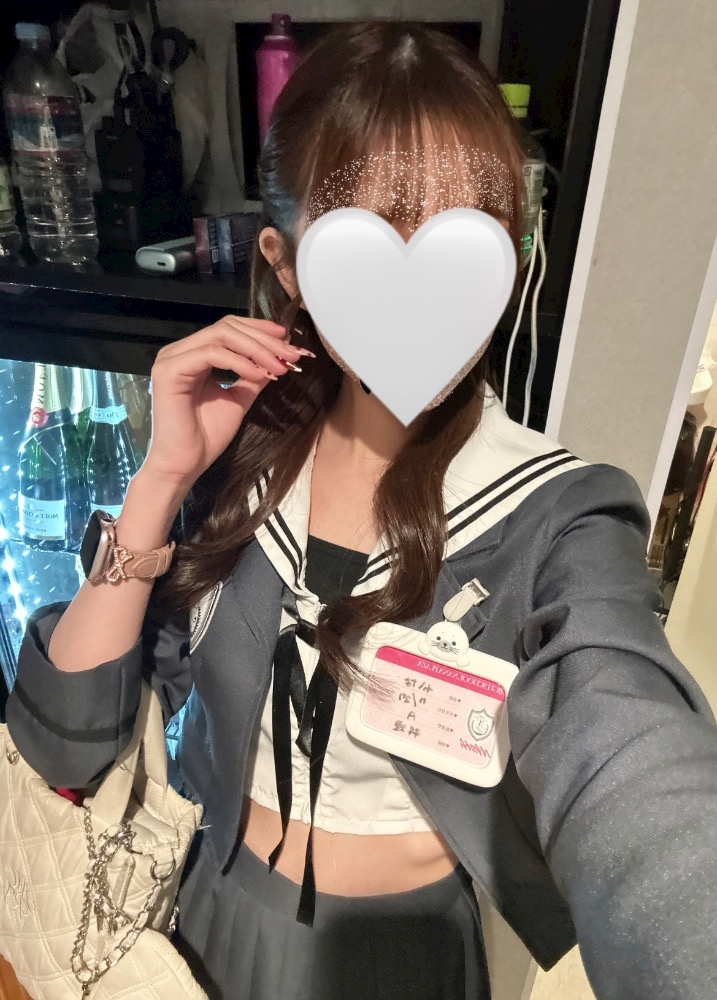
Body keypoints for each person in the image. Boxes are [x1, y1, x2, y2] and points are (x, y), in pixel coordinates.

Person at [6, 20, 717, 1000]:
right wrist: (161, 478)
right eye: (371, 241)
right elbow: (65, 738)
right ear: (287, 264)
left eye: (461, 240)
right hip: (205, 929)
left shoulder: (556, 515)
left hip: (405, 963)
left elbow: (630, 749)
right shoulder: (241, 464)